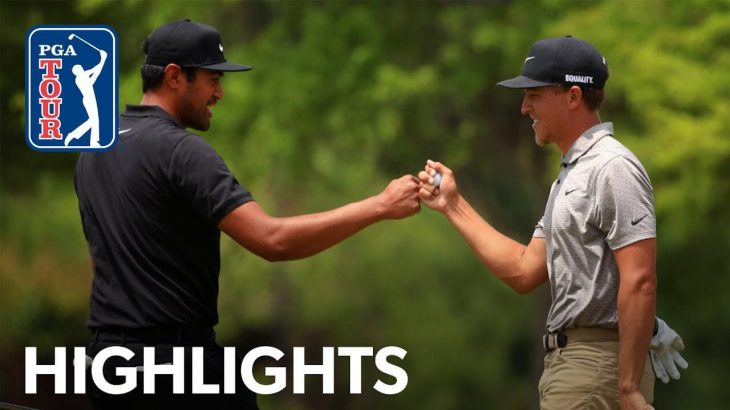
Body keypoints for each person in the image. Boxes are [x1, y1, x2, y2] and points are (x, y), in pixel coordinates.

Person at [74, 19, 420, 409]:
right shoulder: (182, 152)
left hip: (104, 368)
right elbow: (272, 240)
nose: (219, 93)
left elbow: (101, 258)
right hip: (177, 370)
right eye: (211, 79)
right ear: (174, 76)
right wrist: (380, 205)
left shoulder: (93, 148)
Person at [417, 36, 686, 409]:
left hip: (596, 368)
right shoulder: (571, 176)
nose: (525, 108)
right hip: (572, 366)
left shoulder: (612, 168)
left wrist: (627, 387)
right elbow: (524, 270)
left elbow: (640, 279)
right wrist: (453, 205)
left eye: (535, 95)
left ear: (573, 97)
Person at [65, 48, 107, 147]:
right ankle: (75, 135)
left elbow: (95, 75)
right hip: (88, 99)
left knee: (94, 120)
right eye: (79, 68)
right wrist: (103, 59)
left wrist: (103, 60)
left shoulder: (84, 77)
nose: (81, 68)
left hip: (90, 98)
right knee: (93, 120)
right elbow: (94, 70)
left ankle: (92, 141)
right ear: (76, 71)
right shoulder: (79, 78)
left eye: (81, 67)